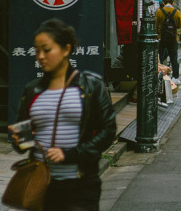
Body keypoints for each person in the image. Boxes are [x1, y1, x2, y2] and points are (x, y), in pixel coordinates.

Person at [11, 19, 116, 211]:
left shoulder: (91, 86)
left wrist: (71, 154)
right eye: (37, 51)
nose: (40, 56)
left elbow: (108, 130)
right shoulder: (32, 90)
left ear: (66, 49)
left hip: (80, 186)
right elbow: (23, 136)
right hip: (40, 185)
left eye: (47, 49)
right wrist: (19, 141)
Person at [155, 0, 181, 85]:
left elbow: (156, 24)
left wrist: (159, 33)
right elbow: (179, 25)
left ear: (163, 2)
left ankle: (161, 75)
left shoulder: (159, 12)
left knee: (160, 58)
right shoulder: (177, 12)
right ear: (173, 3)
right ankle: (175, 77)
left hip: (161, 38)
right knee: (174, 58)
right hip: (173, 39)